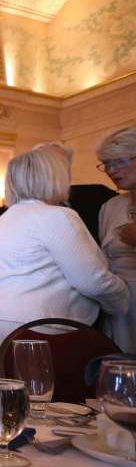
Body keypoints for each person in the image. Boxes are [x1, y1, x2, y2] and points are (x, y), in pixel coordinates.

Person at [0, 146, 129, 376]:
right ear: (53, 178)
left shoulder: (5, 218)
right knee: (45, 403)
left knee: (8, 400)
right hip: (41, 326)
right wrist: (122, 301)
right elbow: (91, 280)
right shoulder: (56, 216)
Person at [0, 142, 118, 284]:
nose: (50, 171)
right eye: (43, 165)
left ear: (67, 171)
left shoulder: (96, 196)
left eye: (57, 165)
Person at [96, 126, 136, 353]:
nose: (111, 170)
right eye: (106, 164)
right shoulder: (111, 207)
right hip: (119, 307)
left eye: (118, 162)